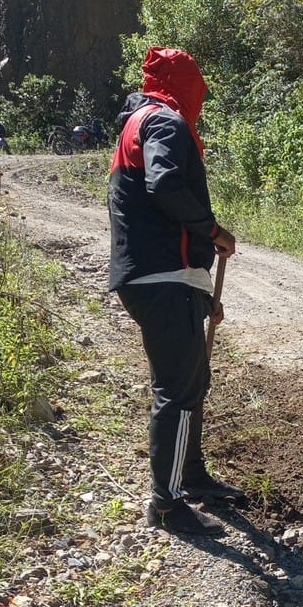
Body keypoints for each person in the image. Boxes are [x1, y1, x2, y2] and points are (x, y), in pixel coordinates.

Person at [108, 46, 243, 535]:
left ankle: (191, 475)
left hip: (161, 277)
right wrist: (213, 231)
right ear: (184, 86)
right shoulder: (164, 120)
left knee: (192, 380)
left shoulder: (138, 121)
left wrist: (201, 294)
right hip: (164, 277)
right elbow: (164, 184)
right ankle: (167, 503)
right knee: (179, 389)